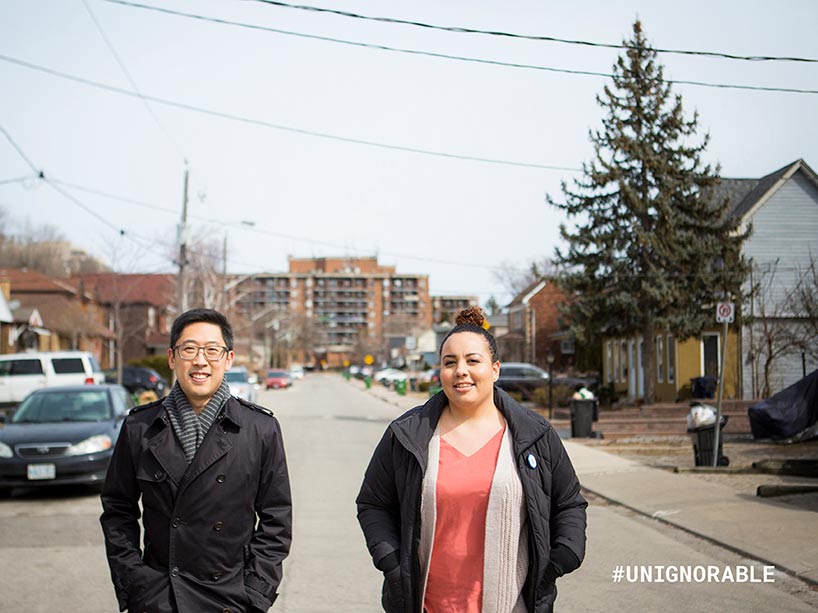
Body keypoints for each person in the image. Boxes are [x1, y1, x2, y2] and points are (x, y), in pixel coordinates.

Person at [356, 307, 587, 613]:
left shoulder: (535, 435)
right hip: (425, 604)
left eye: (473, 361)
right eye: (449, 363)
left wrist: (561, 558)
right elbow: (373, 503)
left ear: (495, 369)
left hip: (513, 604)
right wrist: (391, 562)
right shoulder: (407, 435)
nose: (460, 371)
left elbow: (568, 502)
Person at [100, 308, 292, 613]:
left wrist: (256, 592)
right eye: (189, 349)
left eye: (212, 351)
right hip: (160, 597)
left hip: (231, 597)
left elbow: (276, 519)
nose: (200, 361)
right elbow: (117, 509)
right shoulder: (140, 427)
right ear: (172, 358)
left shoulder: (260, 429)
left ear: (228, 359)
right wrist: (134, 580)